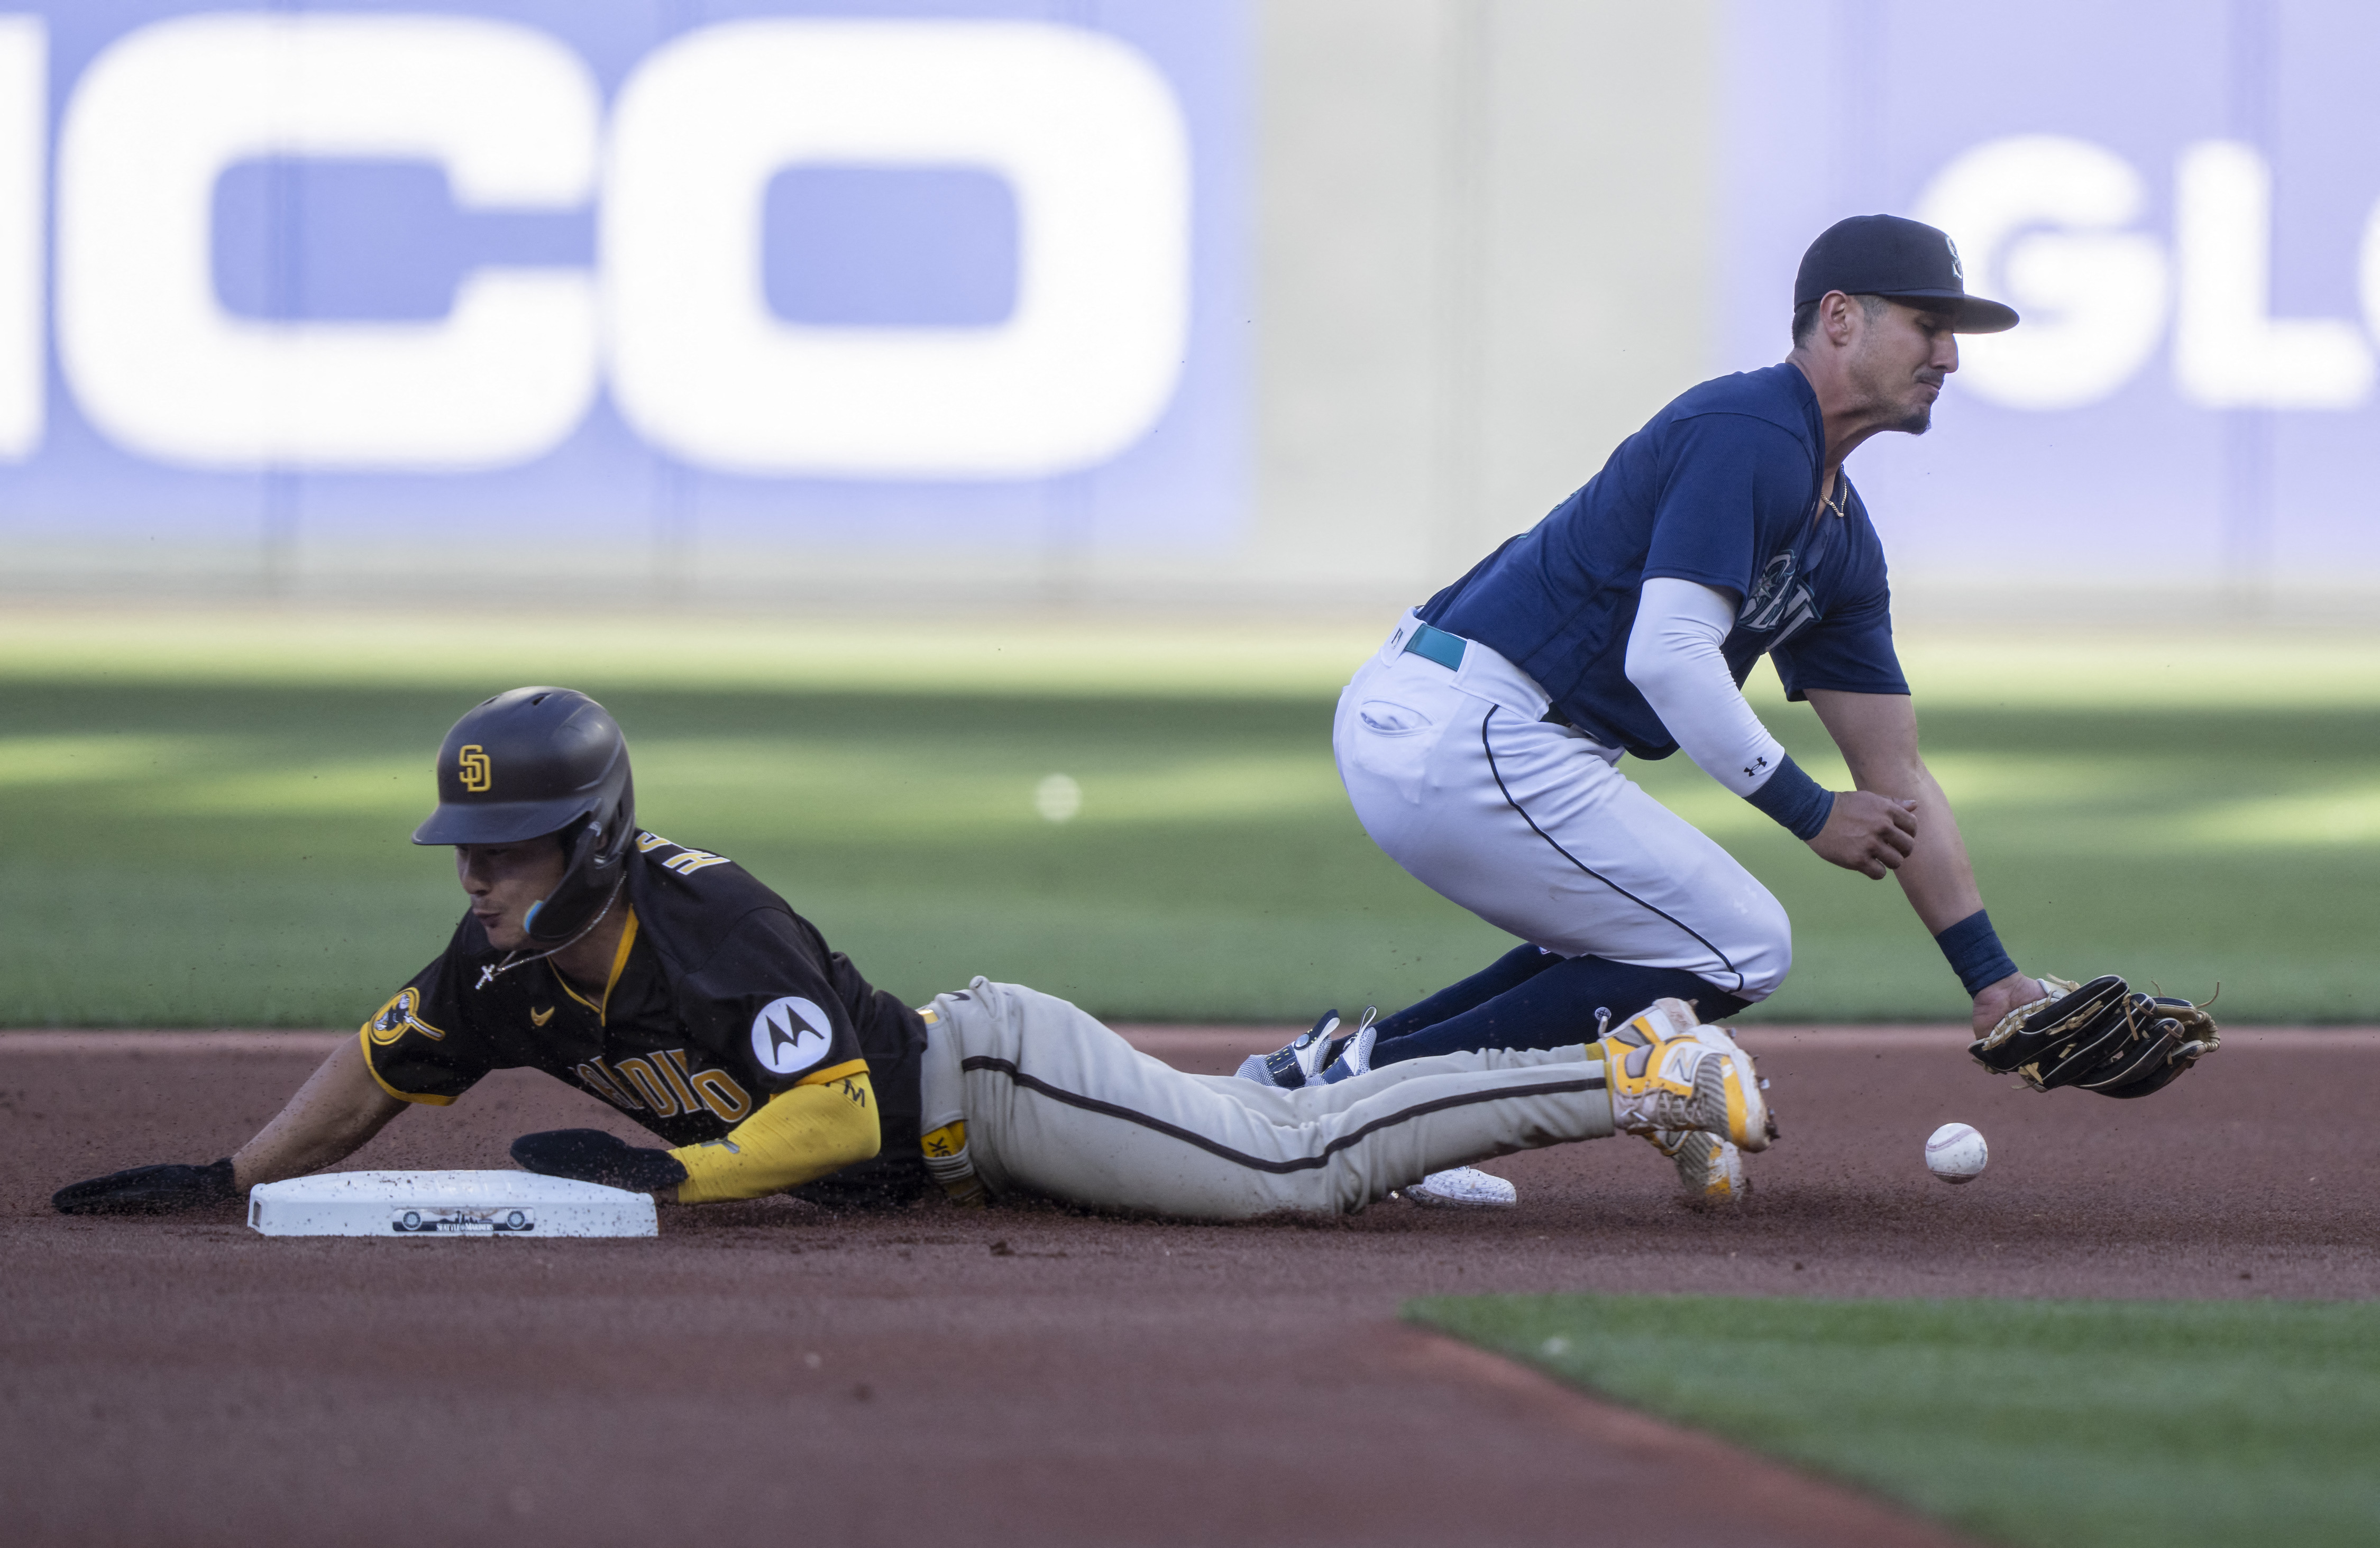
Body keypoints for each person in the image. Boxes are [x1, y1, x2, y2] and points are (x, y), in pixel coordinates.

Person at [51, 686, 1772, 1223]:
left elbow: (842, 1106)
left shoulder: (709, 918)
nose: (482, 882)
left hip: (985, 1087)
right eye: (471, 855)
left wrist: (671, 1181)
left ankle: (1634, 1067)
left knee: (1291, 1171)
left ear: (586, 841)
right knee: (1266, 1136)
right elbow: (384, 1056)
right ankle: (1395, 1084)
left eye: (508, 853)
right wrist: (238, 1173)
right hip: (974, 1139)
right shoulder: (497, 964)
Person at [1243, 214, 2044, 1206]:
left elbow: (1899, 779)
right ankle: (1366, 1101)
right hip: (1467, 719)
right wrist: (1808, 810)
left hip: (1492, 730)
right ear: (1840, 318)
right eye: (1929, 325)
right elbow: (1668, 658)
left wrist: (1993, 979)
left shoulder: (1840, 539)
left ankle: (1342, 1077)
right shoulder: (1749, 429)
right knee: (1741, 941)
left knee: (1654, 941)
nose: (1952, 356)